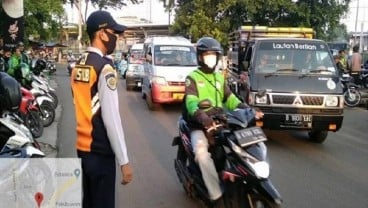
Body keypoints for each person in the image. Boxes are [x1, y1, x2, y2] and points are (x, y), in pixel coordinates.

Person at [183, 37, 263, 205]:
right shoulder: (192, 78)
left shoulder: (219, 78)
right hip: (199, 124)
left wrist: (248, 109)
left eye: (214, 55)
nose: (211, 58)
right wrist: (203, 117)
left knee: (237, 148)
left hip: (220, 121)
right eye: (207, 55)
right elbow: (190, 102)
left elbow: (230, 99)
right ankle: (216, 195)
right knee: (202, 154)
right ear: (200, 57)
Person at [70, 10, 133, 208]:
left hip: (83, 150)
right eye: (114, 32)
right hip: (100, 153)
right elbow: (111, 118)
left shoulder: (79, 65)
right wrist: (124, 161)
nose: (117, 37)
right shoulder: (104, 68)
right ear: (102, 34)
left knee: (88, 202)